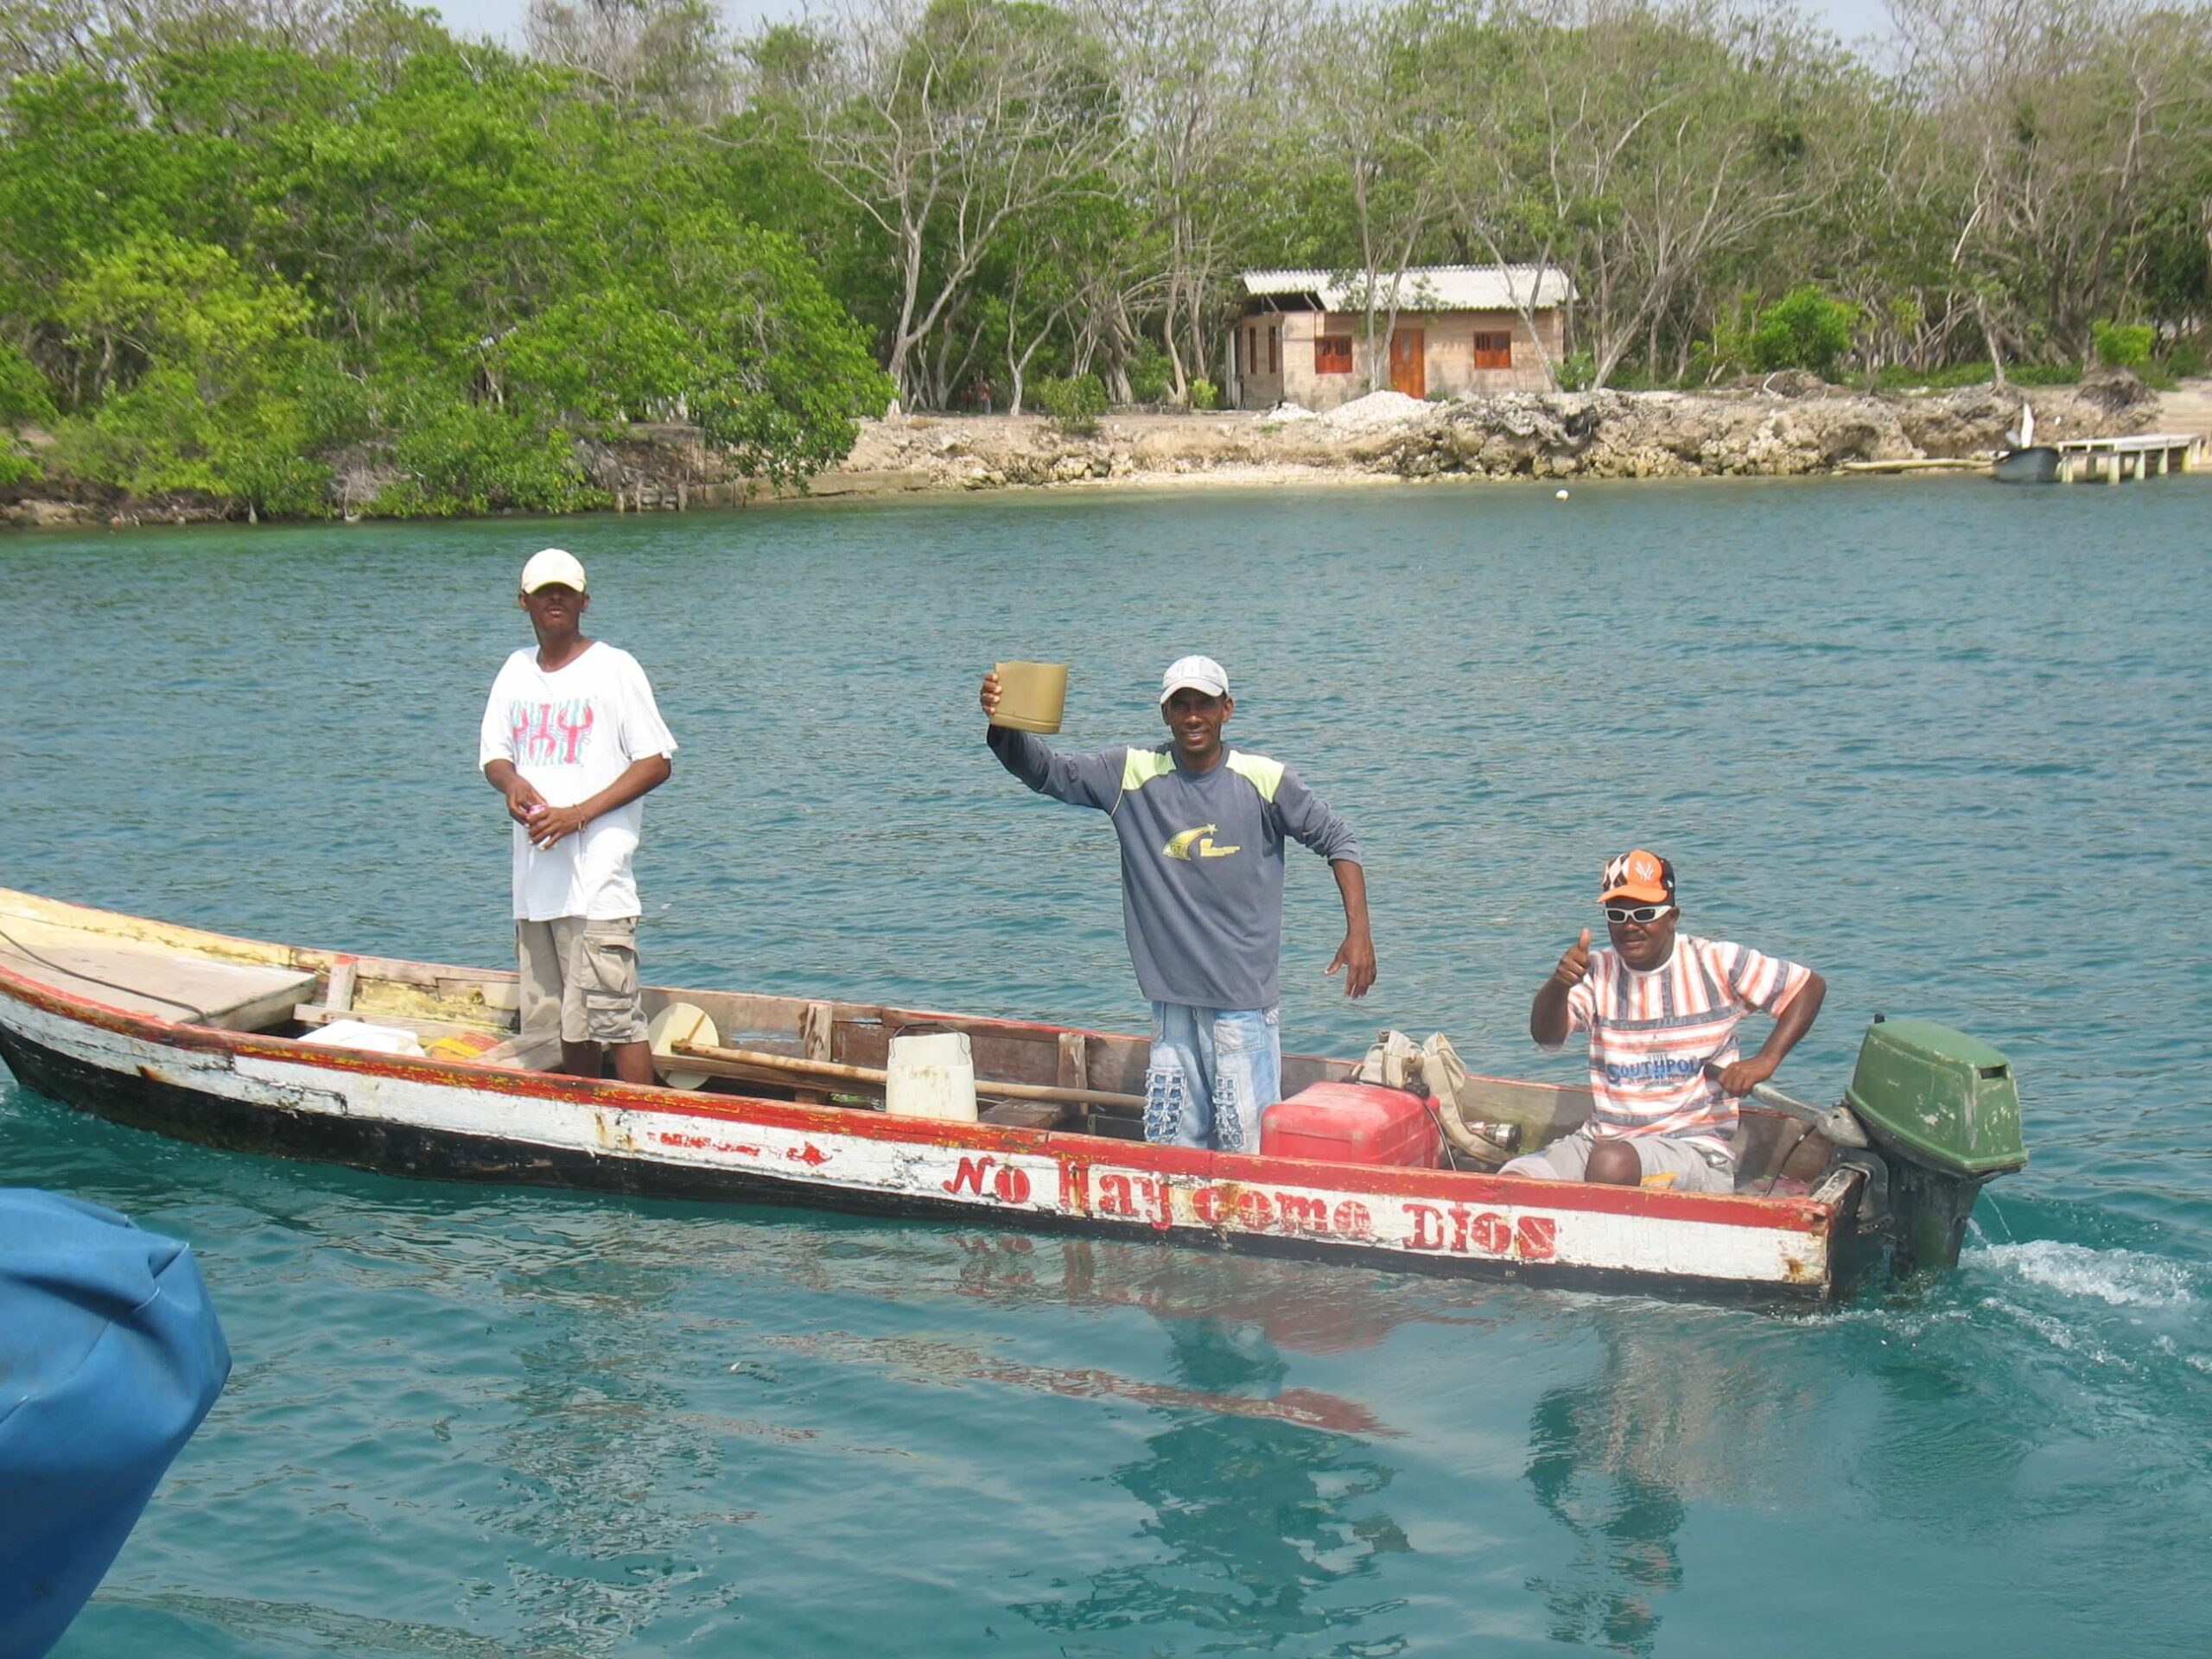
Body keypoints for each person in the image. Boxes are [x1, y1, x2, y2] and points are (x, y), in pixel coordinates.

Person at [980, 655, 1374, 1152]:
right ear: (1165, 714)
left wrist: (1358, 934)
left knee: (1246, 1151)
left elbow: (1339, 841)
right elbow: (1046, 772)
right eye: (1180, 705)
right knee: (1174, 1153)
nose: (1193, 717)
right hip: (1172, 1009)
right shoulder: (1131, 774)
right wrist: (1004, 723)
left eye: (1204, 704)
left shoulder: (1265, 779)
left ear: (1227, 709)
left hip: (1242, 1010)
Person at [1507, 849, 1825, 1192]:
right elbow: (1546, 1035)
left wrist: (1767, 1059)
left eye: (1644, 913)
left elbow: (1806, 987)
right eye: (1617, 914)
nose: (1630, 926)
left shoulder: (1715, 962)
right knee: (1512, 1182)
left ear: (1672, 917)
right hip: (1602, 1140)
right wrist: (1559, 984)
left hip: (1695, 1149)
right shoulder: (1597, 970)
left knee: (1611, 1165)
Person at [480, 548, 676, 1084]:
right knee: (568, 1024)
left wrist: (578, 815)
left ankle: (644, 1130)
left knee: (616, 1021)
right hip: (536, 884)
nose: (556, 600)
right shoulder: (515, 671)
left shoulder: (614, 668)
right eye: (545, 592)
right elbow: (494, 755)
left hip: (596, 885)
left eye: (565, 591)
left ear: (585, 600)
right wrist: (512, 783)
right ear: (525, 603)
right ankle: (585, 1116)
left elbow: (656, 761)